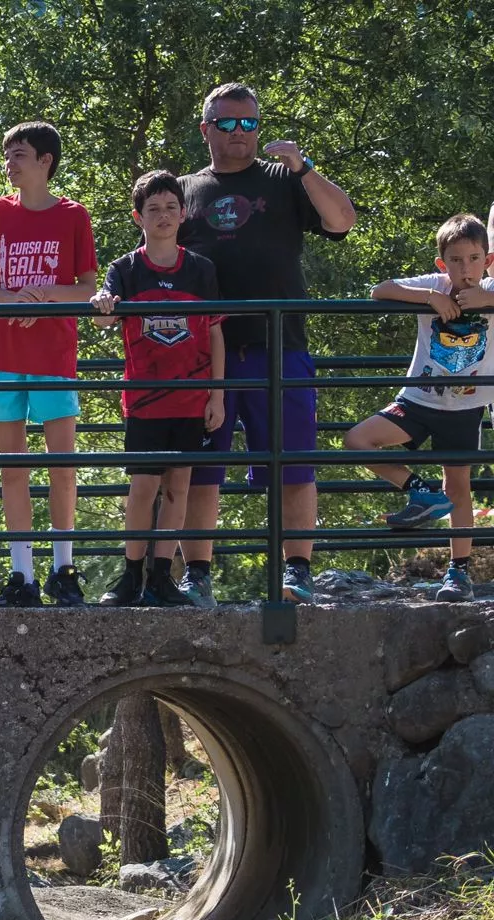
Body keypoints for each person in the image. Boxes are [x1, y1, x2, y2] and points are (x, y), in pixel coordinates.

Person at [178, 82, 356, 605]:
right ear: (206, 128)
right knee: (201, 469)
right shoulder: (184, 189)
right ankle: (197, 577)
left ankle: (296, 571)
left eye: (249, 123)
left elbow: (342, 220)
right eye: (228, 123)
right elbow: (153, 254)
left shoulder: (284, 179)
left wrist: (303, 168)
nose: (240, 133)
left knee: (293, 464)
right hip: (205, 355)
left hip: (281, 347)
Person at [0, 122, 100, 607]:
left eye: (19, 154)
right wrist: (13, 299)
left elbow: (88, 287)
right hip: (2, 354)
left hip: (53, 354)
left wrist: (42, 296)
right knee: (13, 468)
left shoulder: (73, 216)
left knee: (62, 466)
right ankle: (21, 574)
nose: (10, 163)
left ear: (45, 161)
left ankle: (63, 569)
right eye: (7, 154)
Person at [89, 171, 226, 609]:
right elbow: (103, 315)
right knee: (143, 487)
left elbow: (216, 334)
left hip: (191, 396)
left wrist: (217, 394)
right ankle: (130, 574)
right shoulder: (125, 269)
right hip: (145, 398)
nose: (163, 216)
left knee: (178, 489)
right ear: (138, 217)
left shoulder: (200, 269)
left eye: (171, 208)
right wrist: (102, 305)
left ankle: (162, 577)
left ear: (183, 214)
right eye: (153, 210)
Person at [344, 213, 492, 604]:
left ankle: (458, 574)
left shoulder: (491, 287)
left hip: (465, 408)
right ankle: (420, 491)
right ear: (443, 264)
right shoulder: (435, 285)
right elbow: (380, 289)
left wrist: (488, 299)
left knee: (459, 488)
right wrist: (431, 298)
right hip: (417, 401)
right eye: (457, 260)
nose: (466, 268)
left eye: (475, 258)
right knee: (356, 440)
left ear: (487, 261)